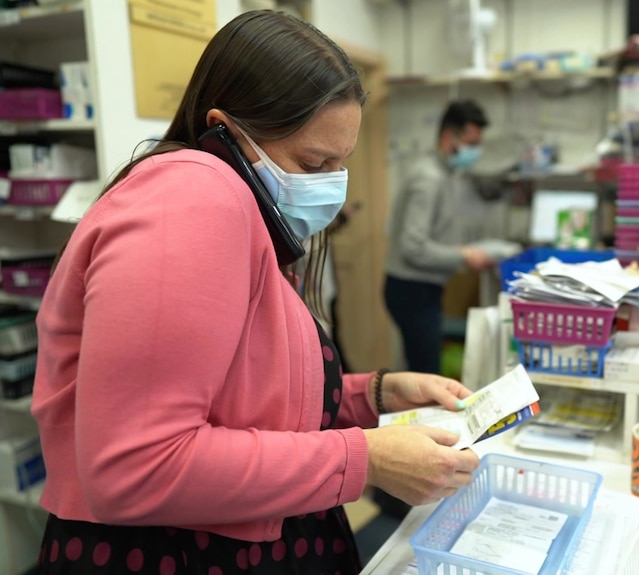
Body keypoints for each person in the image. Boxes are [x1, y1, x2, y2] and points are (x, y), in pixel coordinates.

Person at [30, 11, 479, 575]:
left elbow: (246, 392)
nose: (327, 186)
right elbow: (138, 466)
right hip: (170, 551)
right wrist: (363, 459)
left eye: (338, 166)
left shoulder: (242, 214)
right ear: (226, 129)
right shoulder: (190, 200)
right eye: (313, 163)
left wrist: (376, 395)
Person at [384, 99, 496, 377]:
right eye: (471, 143)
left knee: (421, 369)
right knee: (425, 375)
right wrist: (464, 256)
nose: (475, 151)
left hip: (421, 288)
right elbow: (413, 247)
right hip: (412, 289)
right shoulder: (429, 178)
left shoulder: (443, 174)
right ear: (449, 136)